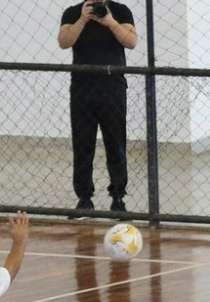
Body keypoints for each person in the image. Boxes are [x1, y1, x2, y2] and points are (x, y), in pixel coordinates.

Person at [58, 0, 138, 217]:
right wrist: (83, 19)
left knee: (116, 144)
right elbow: (64, 42)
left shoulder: (120, 11)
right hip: (82, 89)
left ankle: (118, 198)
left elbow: (131, 41)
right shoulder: (73, 12)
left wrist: (110, 21)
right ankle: (84, 200)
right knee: (83, 145)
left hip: (113, 88)